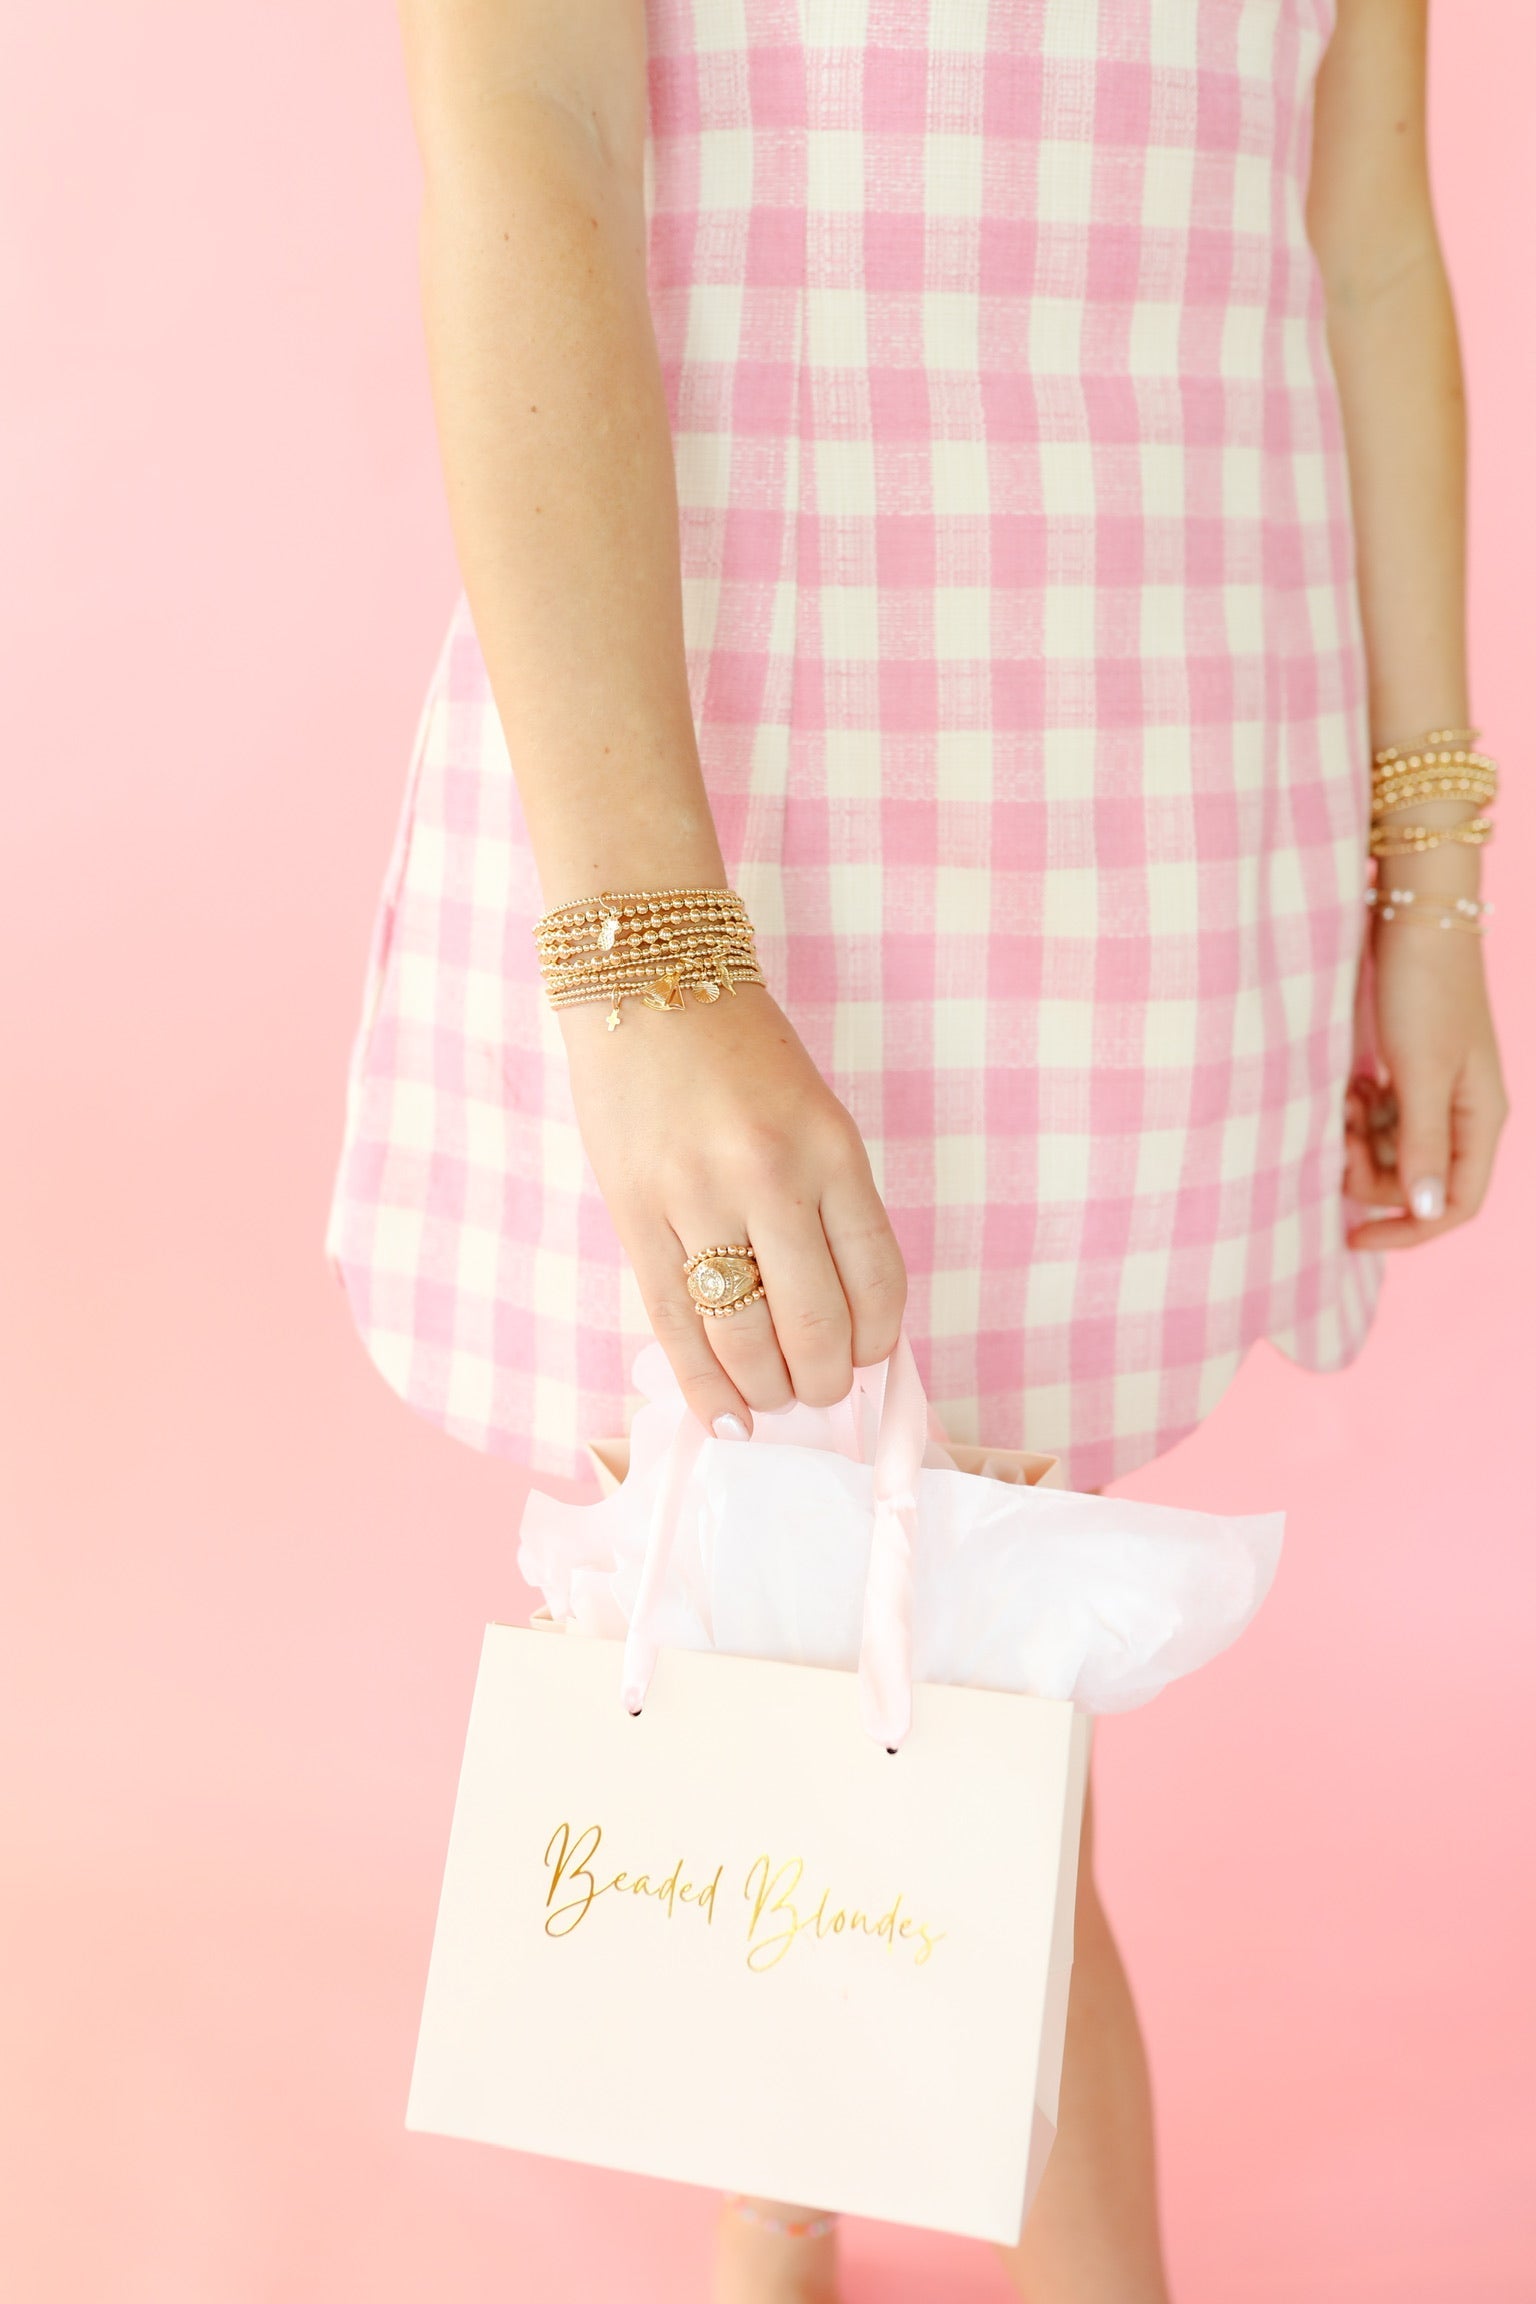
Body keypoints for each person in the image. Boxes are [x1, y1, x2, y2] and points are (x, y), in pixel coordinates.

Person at [333, 2, 1508, 2296]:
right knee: (798, 1614)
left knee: (930, 1647)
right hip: (743, 781)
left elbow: (1364, 241)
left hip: (1160, 828)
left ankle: (788, 2212)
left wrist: (1431, 880)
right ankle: (821, 2218)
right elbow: (527, 136)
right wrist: (654, 958)